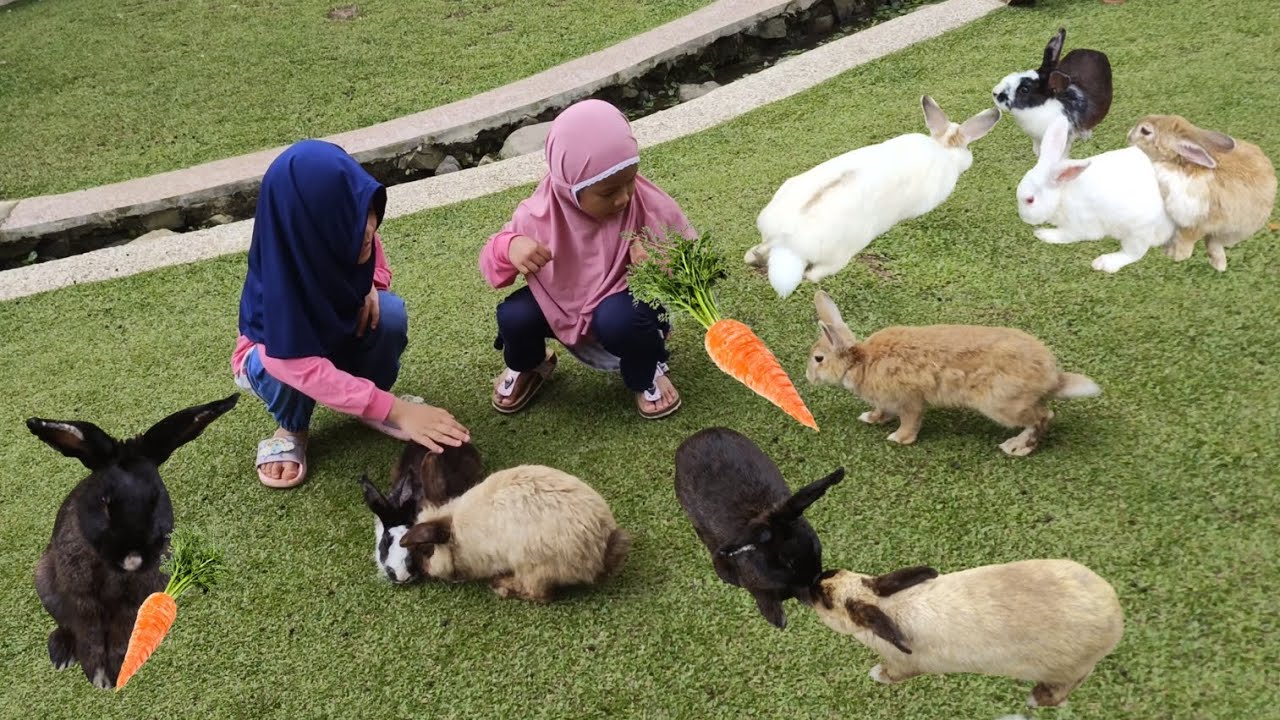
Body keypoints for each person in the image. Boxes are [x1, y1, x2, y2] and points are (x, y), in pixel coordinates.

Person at [233, 139, 469, 489]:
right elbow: (293, 362)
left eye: (366, 213)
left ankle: (369, 403)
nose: (367, 230)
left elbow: (376, 262)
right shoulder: (280, 278)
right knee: (280, 367)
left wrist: (372, 285)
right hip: (277, 361)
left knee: (388, 313)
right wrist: (399, 410)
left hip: (336, 333)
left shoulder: (356, 230)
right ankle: (292, 427)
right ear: (309, 230)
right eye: (349, 224)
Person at [479, 100, 696, 419]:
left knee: (619, 321)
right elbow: (491, 264)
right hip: (561, 305)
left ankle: (646, 369)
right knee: (515, 316)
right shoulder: (538, 214)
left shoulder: (644, 203)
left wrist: (658, 263)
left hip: (621, 306)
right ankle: (531, 364)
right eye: (608, 193)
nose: (623, 197)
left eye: (630, 181)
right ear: (569, 187)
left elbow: (687, 263)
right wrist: (509, 247)